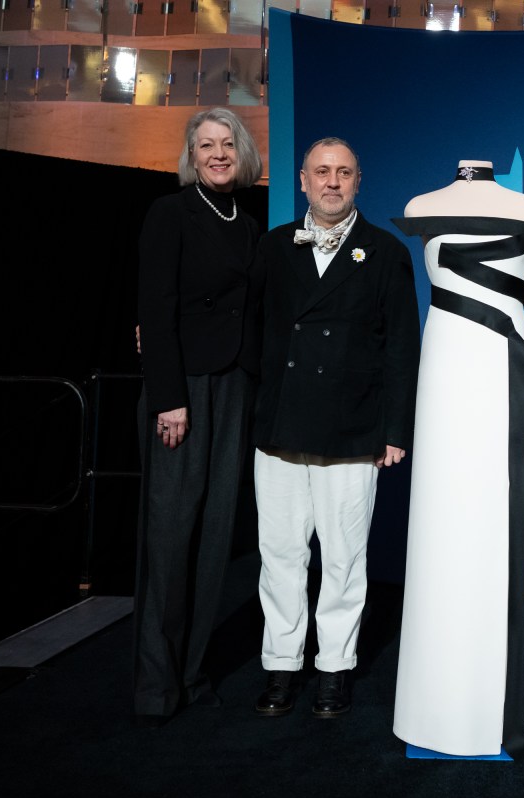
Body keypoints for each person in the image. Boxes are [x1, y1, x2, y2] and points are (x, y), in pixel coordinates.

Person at [250, 137, 420, 719]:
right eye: (321, 172)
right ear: (302, 181)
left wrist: (395, 430)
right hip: (280, 425)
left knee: (344, 560)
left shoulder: (385, 251)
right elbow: (252, 336)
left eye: (342, 172)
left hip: (352, 431)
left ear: (358, 180)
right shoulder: (273, 249)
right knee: (279, 555)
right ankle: (280, 666)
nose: (331, 181)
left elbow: (402, 349)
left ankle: (334, 668)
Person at [391, 161, 524, 757]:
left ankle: (490, 708)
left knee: (492, 524)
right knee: (440, 523)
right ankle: (436, 705)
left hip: (500, 363)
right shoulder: (423, 200)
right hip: (446, 365)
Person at [132, 107, 264, 727]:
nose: (217, 154)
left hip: (233, 385)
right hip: (182, 390)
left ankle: (193, 673)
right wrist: (168, 398)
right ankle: (156, 688)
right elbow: (154, 310)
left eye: (227, 143)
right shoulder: (170, 213)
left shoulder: (247, 218)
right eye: (206, 145)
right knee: (169, 537)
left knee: (214, 536)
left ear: (241, 153)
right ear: (190, 154)